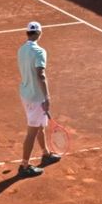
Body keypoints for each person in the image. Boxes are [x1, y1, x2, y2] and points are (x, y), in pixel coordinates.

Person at [15, 21, 60, 178]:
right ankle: (24, 166)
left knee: (40, 126)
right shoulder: (40, 52)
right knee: (32, 132)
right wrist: (46, 96)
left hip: (25, 94)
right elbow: (41, 75)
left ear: (27, 33)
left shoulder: (21, 50)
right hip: (36, 97)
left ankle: (45, 154)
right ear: (39, 33)